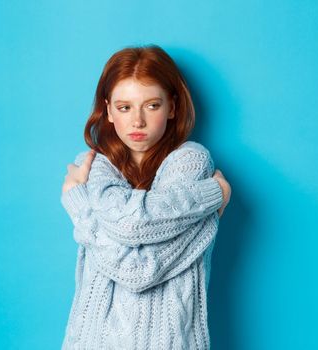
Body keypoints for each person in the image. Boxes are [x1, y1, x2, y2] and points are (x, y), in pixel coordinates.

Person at [59, 44, 232, 349]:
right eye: (124, 107)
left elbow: (138, 268)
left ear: (173, 108)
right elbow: (138, 236)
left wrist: (78, 203)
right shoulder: (95, 165)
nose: (137, 121)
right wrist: (213, 196)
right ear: (109, 110)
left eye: (152, 105)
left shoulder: (191, 161)